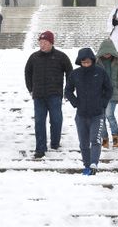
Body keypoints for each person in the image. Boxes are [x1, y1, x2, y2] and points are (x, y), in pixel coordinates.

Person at [24, 30, 73, 158]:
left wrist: (68, 89)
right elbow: (27, 73)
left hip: (54, 94)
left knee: (56, 120)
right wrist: (31, 89)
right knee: (39, 121)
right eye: (40, 42)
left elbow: (70, 73)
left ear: (51, 43)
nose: (42, 45)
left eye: (45, 42)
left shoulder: (61, 57)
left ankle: (55, 142)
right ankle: (40, 148)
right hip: (38, 95)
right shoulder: (34, 57)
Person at [65, 47, 113, 175]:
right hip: (81, 114)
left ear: (92, 60)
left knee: (95, 140)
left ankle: (93, 164)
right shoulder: (75, 74)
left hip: (97, 114)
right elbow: (68, 90)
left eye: (88, 62)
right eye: (83, 62)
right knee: (83, 143)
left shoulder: (100, 72)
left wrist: (102, 103)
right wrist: (75, 103)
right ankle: (87, 165)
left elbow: (109, 89)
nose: (85, 64)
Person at [95, 38, 118, 148]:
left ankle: (115, 137)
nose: (107, 54)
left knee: (109, 115)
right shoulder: (97, 62)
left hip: (112, 93)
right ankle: (105, 138)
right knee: (101, 117)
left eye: (109, 52)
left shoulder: (117, 61)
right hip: (100, 93)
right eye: (105, 52)